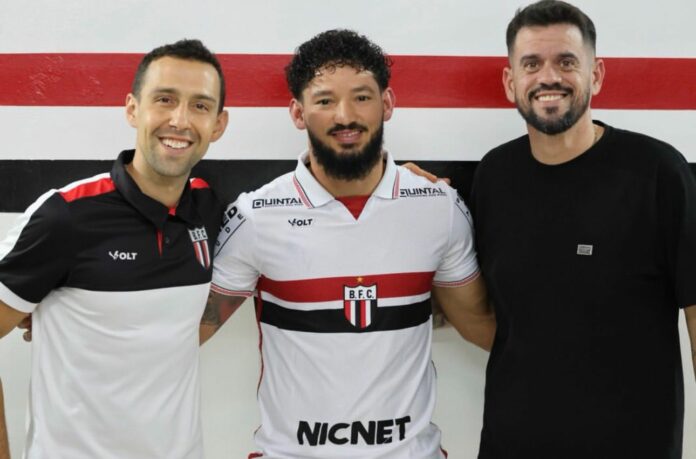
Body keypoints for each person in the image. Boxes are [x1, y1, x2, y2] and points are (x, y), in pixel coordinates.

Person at [200, 29, 495, 458]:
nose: (345, 115)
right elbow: (189, 332)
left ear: (386, 104)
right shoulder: (257, 216)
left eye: (361, 97)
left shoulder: (437, 207)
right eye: (324, 100)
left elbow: (480, 323)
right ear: (298, 112)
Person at [468, 1, 696, 457]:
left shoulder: (657, 172)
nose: (548, 77)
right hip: (510, 445)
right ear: (511, 81)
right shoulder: (493, 175)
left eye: (567, 62)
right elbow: (484, 309)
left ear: (597, 74)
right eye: (531, 64)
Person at [0, 39, 229, 458]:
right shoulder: (65, 215)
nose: (180, 120)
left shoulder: (209, 208)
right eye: (165, 99)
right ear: (132, 109)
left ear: (218, 124)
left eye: (200, 105)